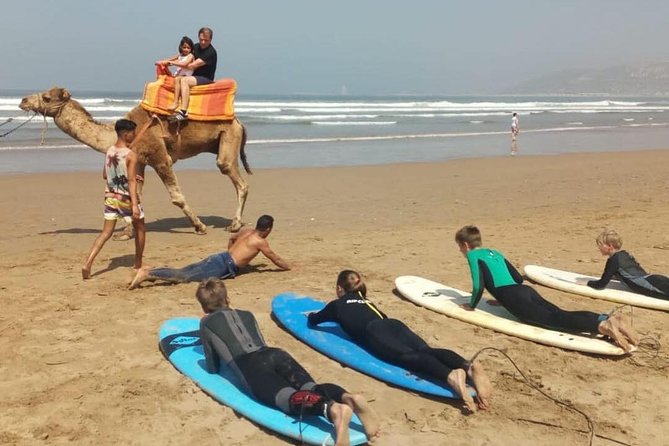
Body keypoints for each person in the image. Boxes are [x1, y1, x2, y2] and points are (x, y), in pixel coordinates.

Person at [197, 278, 380, 445]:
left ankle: (333, 410)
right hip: (274, 354)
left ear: (205, 308)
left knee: (287, 398)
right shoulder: (247, 314)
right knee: (310, 387)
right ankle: (348, 398)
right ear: (228, 298)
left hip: (251, 366)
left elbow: (212, 366)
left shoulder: (206, 323)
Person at [308, 270, 493, 413]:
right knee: (426, 349)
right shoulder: (366, 300)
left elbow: (315, 320)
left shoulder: (336, 305)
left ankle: (450, 375)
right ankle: (467, 366)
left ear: (340, 288)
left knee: (408, 356)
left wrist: (311, 315)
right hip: (392, 324)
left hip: (374, 331)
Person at [454, 225, 639, 352]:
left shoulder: (473, 256)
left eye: (460, 249)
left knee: (557, 321)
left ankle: (603, 326)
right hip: (525, 291)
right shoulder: (494, 252)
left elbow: (478, 284)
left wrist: (471, 305)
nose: (461, 252)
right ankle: (606, 319)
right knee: (560, 313)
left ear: (465, 245)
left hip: (515, 298)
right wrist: (502, 298)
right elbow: (517, 278)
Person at [129, 214, 289, 289]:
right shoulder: (261, 242)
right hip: (223, 265)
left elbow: (232, 237)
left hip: (220, 257)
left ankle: (154, 270)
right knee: (185, 277)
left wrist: (230, 253)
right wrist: (290, 268)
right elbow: (275, 259)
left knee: (184, 270)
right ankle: (147, 273)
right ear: (268, 229)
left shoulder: (246, 231)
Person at [82, 119, 146, 279]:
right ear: (125, 134)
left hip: (110, 197)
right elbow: (131, 181)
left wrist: (125, 176)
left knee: (106, 232)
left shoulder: (109, 151)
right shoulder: (131, 155)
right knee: (140, 229)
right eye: (133, 133)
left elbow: (105, 175)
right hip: (126, 198)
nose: (135, 135)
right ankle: (138, 264)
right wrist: (135, 205)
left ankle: (88, 263)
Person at [581, 229, 669, 300]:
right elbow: (632, 272)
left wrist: (587, 282)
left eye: (600, 245)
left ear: (610, 246)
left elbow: (601, 285)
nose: (599, 248)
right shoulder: (625, 254)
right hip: (654, 278)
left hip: (652, 286)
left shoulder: (613, 260)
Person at [170, 27, 217, 121]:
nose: (203, 42)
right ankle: (175, 102)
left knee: (184, 80)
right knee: (177, 78)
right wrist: (166, 61)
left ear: (211, 39)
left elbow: (191, 66)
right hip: (193, 75)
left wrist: (172, 63)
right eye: (201, 39)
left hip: (205, 78)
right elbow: (181, 55)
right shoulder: (195, 47)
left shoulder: (210, 52)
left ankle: (183, 111)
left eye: (206, 40)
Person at [155, 36, 195, 111]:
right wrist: (161, 62)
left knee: (177, 79)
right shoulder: (179, 55)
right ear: (181, 47)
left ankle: (175, 101)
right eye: (184, 47)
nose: (186, 49)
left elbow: (184, 64)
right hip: (178, 74)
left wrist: (172, 63)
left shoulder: (190, 56)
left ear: (191, 48)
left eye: (188, 48)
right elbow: (169, 60)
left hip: (186, 76)